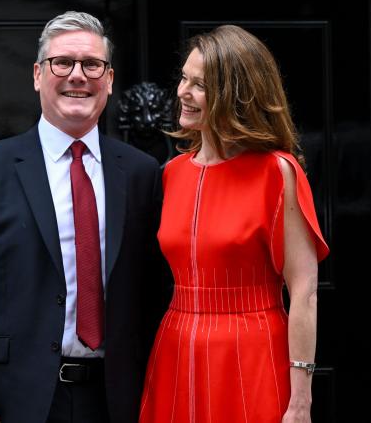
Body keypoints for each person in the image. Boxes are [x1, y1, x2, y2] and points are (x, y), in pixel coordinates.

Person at [0, 11, 168, 423]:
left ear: (110, 79)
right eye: (62, 62)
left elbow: (155, 295)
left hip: (120, 400)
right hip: (19, 402)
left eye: (92, 64)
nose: (78, 75)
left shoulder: (141, 173)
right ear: (37, 75)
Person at [138, 25, 329, 423]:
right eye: (184, 78)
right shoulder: (172, 173)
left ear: (236, 96)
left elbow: (305, 292)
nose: (182, 93)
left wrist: (301, 399)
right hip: (176, 347)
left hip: (252, 350)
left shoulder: (277, 173)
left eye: (200, 85)